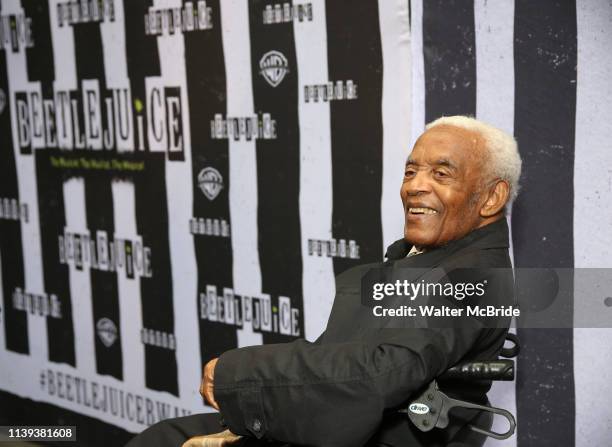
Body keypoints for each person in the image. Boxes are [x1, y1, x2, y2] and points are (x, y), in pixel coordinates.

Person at [126, 116, 522, 447]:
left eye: (440, 173)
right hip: (340, 428)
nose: (415, 185)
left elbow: (380, 374)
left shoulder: (472, 277)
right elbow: (347, 370)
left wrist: (240, 376)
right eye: (411, 170)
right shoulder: (428, 261)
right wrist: (246, 428)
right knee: (164, 438)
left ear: (490, 198)